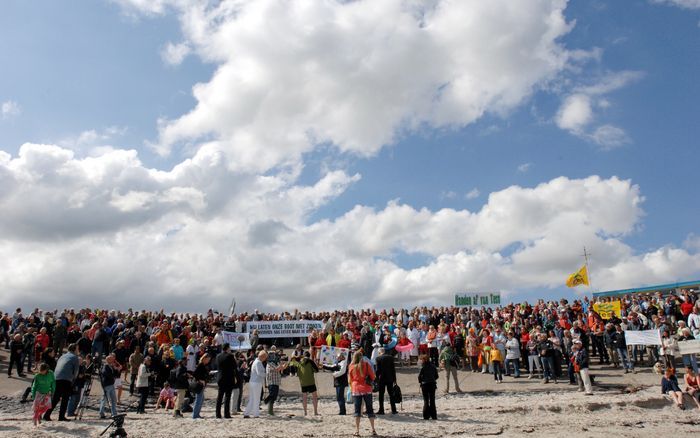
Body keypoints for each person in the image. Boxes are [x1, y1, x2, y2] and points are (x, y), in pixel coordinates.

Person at [44, 343, 80, 422]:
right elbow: (76, 372)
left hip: (56, 377)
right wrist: (73, 379)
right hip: (66, 379)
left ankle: (47, 415)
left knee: (55, 398)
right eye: (77, 349)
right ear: (74, 349)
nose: (78, 350)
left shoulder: (62, 356)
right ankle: (61, 416)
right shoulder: (75, 357)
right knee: (65, 398)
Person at [348, 350, 377, 436]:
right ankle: (373, 429)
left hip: (356, 388)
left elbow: (350, 379)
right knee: (370, 409)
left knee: (357, 411)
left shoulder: (351, 366)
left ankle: (357, 430)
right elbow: (373, 376)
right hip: (367, 389)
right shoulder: (367, 365)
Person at [288, 351, 320, 416]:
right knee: (314, 397)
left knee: (304, 397)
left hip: (303, 382)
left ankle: (305, 412)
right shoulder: (310, 361)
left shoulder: (299, 362)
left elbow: (291, 363)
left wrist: (293, 359)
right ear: (309, 356)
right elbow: (316, 370)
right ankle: (315, 412)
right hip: (311, 381)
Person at [215, 343, 238, 419]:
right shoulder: (230, 356)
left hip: (220, 377)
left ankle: (218, 414)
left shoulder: (218, 356)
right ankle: (226, 414)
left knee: (220, 396)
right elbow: (235, 366)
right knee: (227, 396)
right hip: (228, 378)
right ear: (227, 348)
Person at [243, 350, 267, 418]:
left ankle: (247, 413)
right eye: (265, 358)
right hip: (256, 382)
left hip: (253, 382)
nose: (265, 359)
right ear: (263, 357)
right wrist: (266, 374)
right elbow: (260, 373)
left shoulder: (255, 361)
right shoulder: (258, 362)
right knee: (256, 399)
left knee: (252, 399)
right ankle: (256, 414)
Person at [375, 347, 398, 414]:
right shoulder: (390, 357)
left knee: (381, 395)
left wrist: (376, 378)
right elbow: (393, 369)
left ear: (379, 352)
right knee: (391, 394)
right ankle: (394, 410)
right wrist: (394, 379)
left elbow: (378, 370)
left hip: (382, 379)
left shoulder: (378, 358)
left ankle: (381, 410)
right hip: (390, 378)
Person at [98, 354, 120, 419]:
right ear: (108, 360)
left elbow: (116, 374)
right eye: (111, 359)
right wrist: (114, 375)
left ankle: (114, 413)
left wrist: (117, 370)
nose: (113, 360)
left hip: (111, 384)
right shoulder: (105, 366)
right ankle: (101, 413)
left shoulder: (111, 366)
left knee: (114, 399)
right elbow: (107, 374)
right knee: (104, 399)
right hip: (107, 385)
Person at [418, 353, 438, 420]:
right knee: (432, 400)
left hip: (425, 385)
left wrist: (420, 381)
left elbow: (419, 377)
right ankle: (434, 416)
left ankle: (426, 416)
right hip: (432, 384)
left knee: (426, 400)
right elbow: (436, 376)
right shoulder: (433, 366)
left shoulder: (423, 367)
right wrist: (432, 379)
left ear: (424, 360)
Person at [192, 353, 211, 419]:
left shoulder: (203, 365)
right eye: (208, 359)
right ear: (205, 358)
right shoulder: (201, 365)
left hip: (202, 384)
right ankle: (195, 415)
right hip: (200, 385)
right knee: (199, 399)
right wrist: (200, 380)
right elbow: (194, 374)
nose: (208, 361)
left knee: (201, 399)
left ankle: (196, 414)